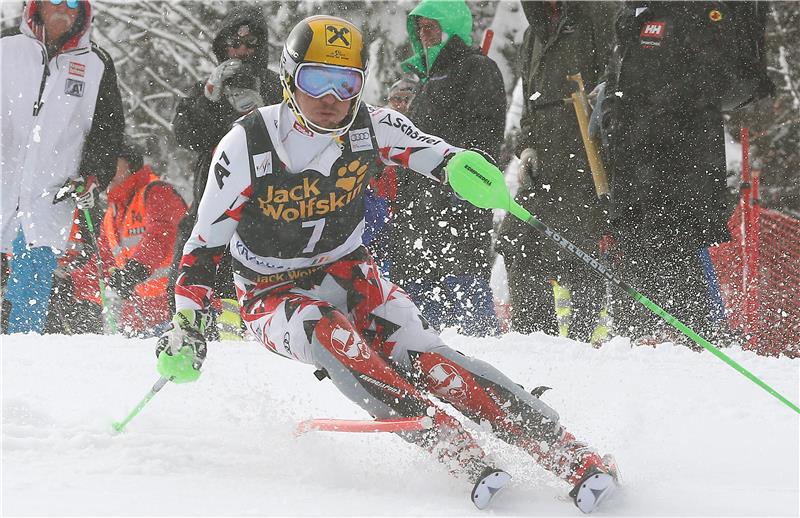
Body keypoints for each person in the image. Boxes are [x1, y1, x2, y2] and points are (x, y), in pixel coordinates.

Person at [155, 15, 617, 513]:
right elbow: (203, 246)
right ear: (289, 78)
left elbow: (439, 155)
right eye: (316, 80)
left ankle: (568, 451)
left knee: (429, 358)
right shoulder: (248, 143)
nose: (331, 98)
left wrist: (466, 172)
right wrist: (188, 322)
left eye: (346, 83)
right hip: (269, 291)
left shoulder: (371, 126)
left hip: (348, 271)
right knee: (327, 331)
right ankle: (449, 444)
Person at [597, 1, 774, 344]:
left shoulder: (695, 10)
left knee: (679, 264)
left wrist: (656, 105)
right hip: (635, 171)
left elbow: (714, 79)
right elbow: (620, 80)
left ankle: (701, 346)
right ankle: (637, 347)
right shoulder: (632, 15)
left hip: (681, 172)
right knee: (637, 266)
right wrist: (612, 114)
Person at [496, 1, 617, 343]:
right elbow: (531, 104)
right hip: (544, 164)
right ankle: (535, 341)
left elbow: (616, 79)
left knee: (578, 253)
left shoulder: (598, 15)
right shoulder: (533, 33)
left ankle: (582, 347)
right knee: (516, 242)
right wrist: (526, 146)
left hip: (588, 160)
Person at [1, 0, 124, 334]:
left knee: (31, 290)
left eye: (73, 2)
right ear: (36, 5)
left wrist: (94, 173)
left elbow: (107, 128)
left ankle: (23, 356)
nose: (63, 8)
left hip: (50, 191)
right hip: (3, 180)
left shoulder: (96, 63)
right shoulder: (5, 48)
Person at [391, 0, 506, 336]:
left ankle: (481, 346)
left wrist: (466, 184)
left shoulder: (477, 68)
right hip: (420, 204)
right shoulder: (429, 76)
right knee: (419, 295)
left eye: (432, 27)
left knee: (465, 288)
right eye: (420, 29)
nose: (425, 36)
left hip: (458, 200)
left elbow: (484, 133)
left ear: (452, 27)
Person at [170, 3, 282, 340]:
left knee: (246, 290)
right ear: (223, 46)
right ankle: (187, 333)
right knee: (190, 269)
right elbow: (184, 135)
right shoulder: (208, 87)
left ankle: (247, 341)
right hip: (210, 198)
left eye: (250, 45)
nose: (242, 52)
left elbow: (292, 138)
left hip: (264, 207)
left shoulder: (278, 85)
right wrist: (207, 97)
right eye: (235, 44)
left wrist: (259, 109)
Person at [47, 140, 187, 336]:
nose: (107, 167)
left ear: (130, 165)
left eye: (113, 162)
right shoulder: (112, 214)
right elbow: (102, 264)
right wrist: (71, 285)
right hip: (137, 316)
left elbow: (161, 235)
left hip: (175, 308)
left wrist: (135, 270)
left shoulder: (156, 192)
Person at [362, 76, 418, 273]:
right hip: (378, 211)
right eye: (397, 99)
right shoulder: (379, 129)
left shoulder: (421, 133)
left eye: (408, 99)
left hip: (408, 215)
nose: (402, 105)